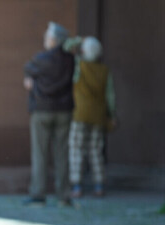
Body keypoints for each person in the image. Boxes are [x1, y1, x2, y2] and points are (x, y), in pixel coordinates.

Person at [23, 22, 76, 206]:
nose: (45, 39)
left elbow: (28, 71)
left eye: (47, 36)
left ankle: (38, 193)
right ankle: (63, 195)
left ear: (54, 40)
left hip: (42, 110)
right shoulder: (70, 60)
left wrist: (31, 82)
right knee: (62, 153)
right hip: (63, 111)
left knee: (40, 153)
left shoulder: (41, 59)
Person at [67, 36, 116, 198]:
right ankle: (99, 184)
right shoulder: (104, 70)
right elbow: (110, 96)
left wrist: (78, 41)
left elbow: (66, 47)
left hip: (79, 113)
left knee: (76, 149)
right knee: (96, 151)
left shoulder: (79, 65)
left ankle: (76, 185)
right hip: (98, 115)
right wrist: (112, 115)